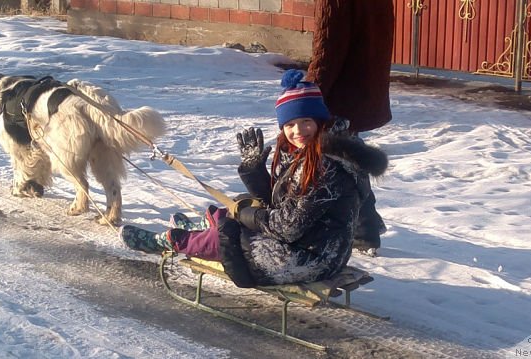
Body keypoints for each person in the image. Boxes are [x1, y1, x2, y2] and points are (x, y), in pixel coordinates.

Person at [119, 70, 388, 288]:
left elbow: (288, 227)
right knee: (238, 208)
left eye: (305, 121)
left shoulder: (325, 166)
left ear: (319, 122)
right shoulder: (305, 153)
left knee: (231, 232)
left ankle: (171, 240)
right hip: (310, 245)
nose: (298, 131)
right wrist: (254, 169)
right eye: (290, 125)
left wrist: (244, 216)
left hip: (310, 257)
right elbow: (278, 203)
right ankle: (203, 226)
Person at [305, 0, 395, 254]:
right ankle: (368, 225)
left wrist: (309, 95)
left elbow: (327, 48)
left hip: (340, 90)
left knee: (339, 156)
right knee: (347, 153)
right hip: (362, 85)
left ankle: (365, 230)